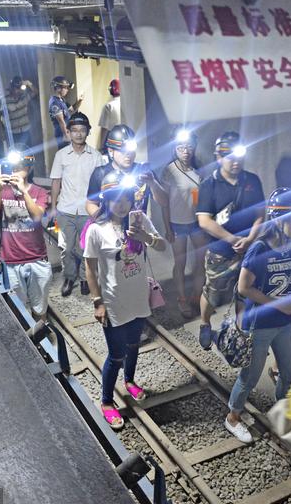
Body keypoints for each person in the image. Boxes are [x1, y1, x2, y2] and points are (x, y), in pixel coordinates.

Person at [224, 188, 291, 443]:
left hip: (283, 324)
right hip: (259, 325)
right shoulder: (259, 248)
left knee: (289, 370)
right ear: (279, 220)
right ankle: (233, 417)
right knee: (250, 376)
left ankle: (283, 410)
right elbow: (243, 287)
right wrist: (279, 305)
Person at [84, 169, 166, 430]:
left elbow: (162, 245)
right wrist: (98, 302)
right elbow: (90, 268)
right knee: (116, 354)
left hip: (138, 297)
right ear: (106, 200)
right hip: (114, 301)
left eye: (126, 199)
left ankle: (129, 381)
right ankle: (107, 402)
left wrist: (145, 237)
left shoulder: (139, 220)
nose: (121, 204)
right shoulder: (97, 229)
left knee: (134, 345)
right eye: (115, 199)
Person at [196, 131, 265, 351]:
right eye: (229, 157)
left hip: (248, 250)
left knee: (244, 292)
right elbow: (204, 221)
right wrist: (233, 239)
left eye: (239, 156)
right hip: (220, 251)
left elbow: (261, 213)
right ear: (219, 157)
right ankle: (205, 324)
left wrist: (250, 239)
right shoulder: (209, 184)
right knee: (213, 293)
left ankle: (239, 332)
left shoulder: (252, 180)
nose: (235, 161)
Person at [0, 149, 52, 320]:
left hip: (37, 259)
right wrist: (0, 188)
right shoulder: (0, 191)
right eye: (12, 167)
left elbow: (37, 216)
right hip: (10, 261)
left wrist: (24, 192)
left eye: (20, 167)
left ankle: (42, 340)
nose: (15, 171)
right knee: (17, 309)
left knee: (40, 309)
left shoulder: (39, 192)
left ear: (28, 169)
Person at [50, 112, 104, 297]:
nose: (78, 134)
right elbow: (56, 181)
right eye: (74, 131)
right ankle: (69, 277)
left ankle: (84, 279)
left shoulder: (96, 157)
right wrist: (52, 208)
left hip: (87, 211)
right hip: (65, 210)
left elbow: (101, 185)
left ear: (88, 132)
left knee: (85, 249)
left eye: (82, 130)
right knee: (67, 248)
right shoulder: (61, 155)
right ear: (68, 132)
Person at [160, 128, 206, 318]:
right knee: (180, 262)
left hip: (196, 223)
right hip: (177, 223)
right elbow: (164, 202)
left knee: (201, 260)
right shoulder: (170, 170)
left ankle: (197, 295)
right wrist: (167, 227)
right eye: (181, 147)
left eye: (188, 147)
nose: (185, 151)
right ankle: (181, 299)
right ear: (175, 149)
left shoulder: (198, 170)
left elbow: (200, 198)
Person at [85, 124, 167, 218]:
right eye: (123, 151)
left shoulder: (144, 172)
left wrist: (153, 183)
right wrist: (103, 223)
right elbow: (90, 203)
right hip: (111, 229)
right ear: (111, 151)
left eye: (131, 151)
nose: (128, 155)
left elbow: (164, 202)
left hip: (137, 229)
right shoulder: (100, 173)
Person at [48, 76, 83, 152]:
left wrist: (80, 100)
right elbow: (61, 121)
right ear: (58, 88)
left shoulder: (61, 100)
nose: (67, 90)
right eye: (65, 88)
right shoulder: (54, 102)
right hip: (62, 135)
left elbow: (72, 109)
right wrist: (66, 135)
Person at [6, 75, 36, 146]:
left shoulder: (24, 96)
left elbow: (36, 92)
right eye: (15, 88)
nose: (17, 90)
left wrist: (28, 83)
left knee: (28, 154)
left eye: (19, 88)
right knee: (15, 154)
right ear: (11, 88)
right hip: (13, 133)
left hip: (25, 131)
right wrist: (1, 131)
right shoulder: (5, 100)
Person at [98, 78, 121, 150]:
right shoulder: (126, 104)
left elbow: (104, 128)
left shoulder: (108, 106)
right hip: (126, 138)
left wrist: (101, 146)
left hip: (112, 140)